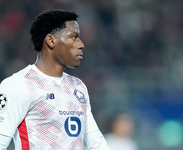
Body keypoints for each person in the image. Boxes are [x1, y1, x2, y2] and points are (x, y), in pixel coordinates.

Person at [0, 9, 109, 150]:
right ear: (51, 41)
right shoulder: (18, 85)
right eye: (73, 37)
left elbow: (97, 144)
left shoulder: (78, 86)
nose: (81, 44)